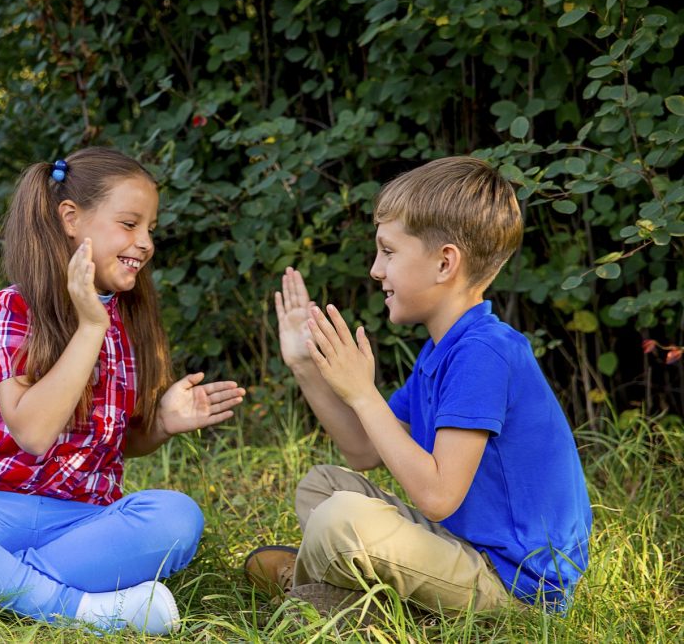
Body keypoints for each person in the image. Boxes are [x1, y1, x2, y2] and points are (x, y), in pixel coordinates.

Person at [0, 147, 246, 634]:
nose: (145, 243)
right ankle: (83, 609)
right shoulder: (13, 308)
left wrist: (162, 424)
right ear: (70, 218)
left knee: (177, 517)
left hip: (86, 523)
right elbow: (34, 432)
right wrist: (88, 328)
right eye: (129, 224)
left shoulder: (132, 319)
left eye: (151, 230)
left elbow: (112, 443)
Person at [245, 157, 592, 617]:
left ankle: (315, 601)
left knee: (338, 519)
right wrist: (305, 365)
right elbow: (363, 451)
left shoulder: (483, 353)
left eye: (388, 252)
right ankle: (357, 596)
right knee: (322, 487)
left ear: (445, 263)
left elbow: (437, 496)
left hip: (517, 586)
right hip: (459, 547)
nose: (375, 270)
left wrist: (364, 393)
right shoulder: (441, 350)